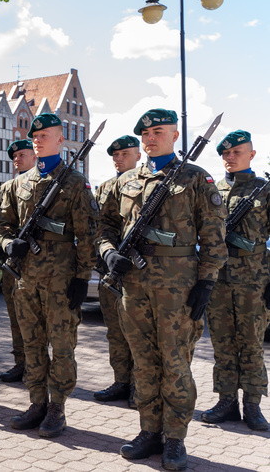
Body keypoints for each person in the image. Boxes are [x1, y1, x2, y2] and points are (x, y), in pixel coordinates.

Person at [97, 109, 226, 470]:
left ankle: (174, 439)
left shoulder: (196, 178)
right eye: (145, 134)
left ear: (175, 134)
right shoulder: (127, 181)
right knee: (144, 364)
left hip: (178, 287)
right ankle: (148, 432)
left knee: (175, 364)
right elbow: (104, 225)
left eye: (157, 131)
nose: (150, 138)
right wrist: (108, 253)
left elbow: (214, 236)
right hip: (133, 286)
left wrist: (206, 280)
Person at [0, 113, 96, 438]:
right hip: (26, 281)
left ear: (60, 140)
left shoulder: (76, 183)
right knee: (32, 345)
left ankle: (57, 408)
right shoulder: (19, 184)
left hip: (61, 281)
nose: (38, 140)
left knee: (62, 347)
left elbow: (88, 235)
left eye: (46, 135)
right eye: (35, 136)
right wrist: (10, 243)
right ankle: (37, 403)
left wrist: (82, 278)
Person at [201, 130, 269, 431]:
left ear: (251, 155)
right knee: (222, 343)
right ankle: (226, 401)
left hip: (254, 282)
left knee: (251, 343)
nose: (230, 158)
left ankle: (253, 405)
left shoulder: (264, 191)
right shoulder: (211, 190)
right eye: (225, 154)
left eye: (236, 152)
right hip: (218, 281)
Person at [94, 135, 141, 407]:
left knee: (137, 332)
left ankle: (139, 385)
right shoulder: (105, 187)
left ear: (138, 155)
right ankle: (121, 381)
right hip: (108, 271)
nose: (119, 157)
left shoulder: (149, 183)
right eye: (115, 154)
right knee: (115, 331)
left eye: (125, 153)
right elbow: (98, 227)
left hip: (136, 273)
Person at [0, 138, 35, 383]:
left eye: (22, 154)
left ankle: (38, 366)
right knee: (15, 317)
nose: (17, 159)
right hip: (10, 266)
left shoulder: (47, 184)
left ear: (35, 156)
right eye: (14, 156)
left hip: (38, 265)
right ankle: (20, 362)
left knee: (39, 320)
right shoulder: (7, 188)